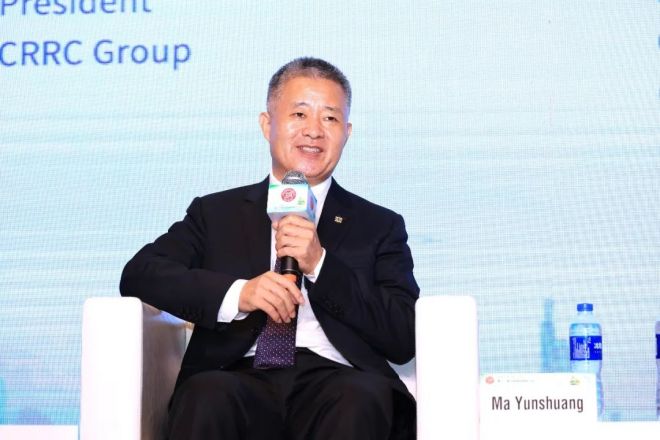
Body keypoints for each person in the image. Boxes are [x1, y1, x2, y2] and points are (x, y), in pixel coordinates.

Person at [120, 57, 419, 440]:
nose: (314, 131)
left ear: (346, 133)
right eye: (299, 114)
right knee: (207, 395)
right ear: (267, 124)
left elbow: (402, 335)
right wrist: (240, 294)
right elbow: (140, 275)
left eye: (329, 118)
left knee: (361, 398)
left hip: (339, 380)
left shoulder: (378, 225)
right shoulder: (216, 212)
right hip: (236, 377)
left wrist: (320, 264)